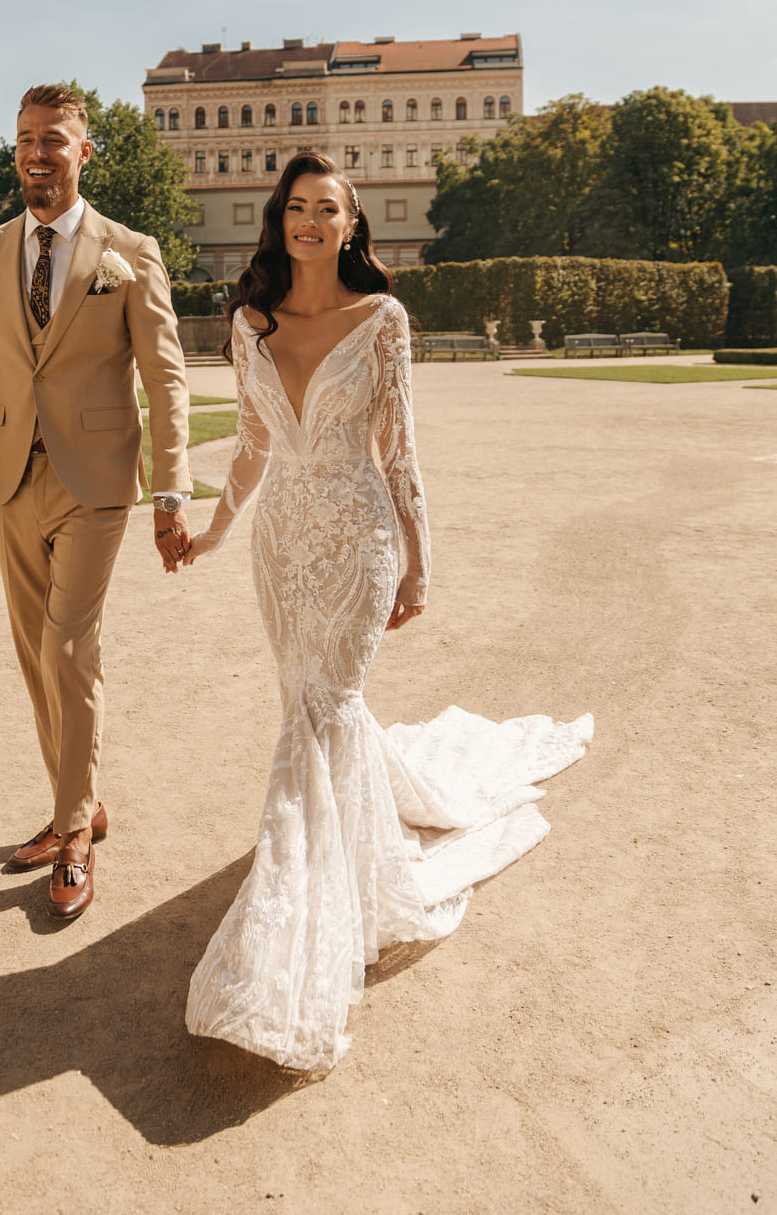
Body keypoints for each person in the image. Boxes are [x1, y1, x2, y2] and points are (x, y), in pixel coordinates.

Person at [182, 150, 592, 1071]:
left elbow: (400, 450)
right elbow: (251, 444)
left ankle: (285, 932)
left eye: (328, 208)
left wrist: (418, 559)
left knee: (322, 709)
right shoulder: (249, 321)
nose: (310, 221)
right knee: (308, 710)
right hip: (279, 545)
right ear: (278, 218)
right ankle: (351, 865)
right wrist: (212, 535)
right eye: (296, 206)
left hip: (358, 543)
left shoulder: (384, 319)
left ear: (353, 223)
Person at [0, 82, 193, 922]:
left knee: (69, 650)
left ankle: (71, 836)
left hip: (96, 484)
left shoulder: (128, 249)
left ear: (82, 153)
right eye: (25, 138)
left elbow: (167, 377)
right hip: (8, 484)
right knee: (36, 658)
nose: (37, 152)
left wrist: (170, 489)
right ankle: (81, 799)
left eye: (54, 139)